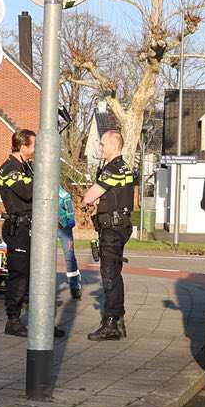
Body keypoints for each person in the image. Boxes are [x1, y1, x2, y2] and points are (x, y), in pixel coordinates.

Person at [0, 128, 64, 340]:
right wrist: (45, 173)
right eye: (34, 146)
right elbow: (27, 192)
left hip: (36, 228)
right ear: (23, 146)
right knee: (20, 275)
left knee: (40, 276)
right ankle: (13, 320)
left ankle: (41, 322)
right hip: (19, 230)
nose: (37, 150)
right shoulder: (9, 169)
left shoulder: (28, 167)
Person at [83, 127, 138, 340]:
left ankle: (112, 324)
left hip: (112, 230)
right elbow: (113, 196)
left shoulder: (112, 169)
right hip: (120, 227)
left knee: (109, 276)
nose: (100, 147)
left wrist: (90, 199)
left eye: (103, 144)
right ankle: (118, 321)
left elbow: (89, 196)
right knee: (114, 273)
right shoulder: (124, 168)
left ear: (114, 145)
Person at [56, 184, 82, 301]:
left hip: (63, 228)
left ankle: (74, 286)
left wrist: (67, 224)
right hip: (47, 229)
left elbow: (71, 215)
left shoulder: (63, 195)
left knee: (70, 257)